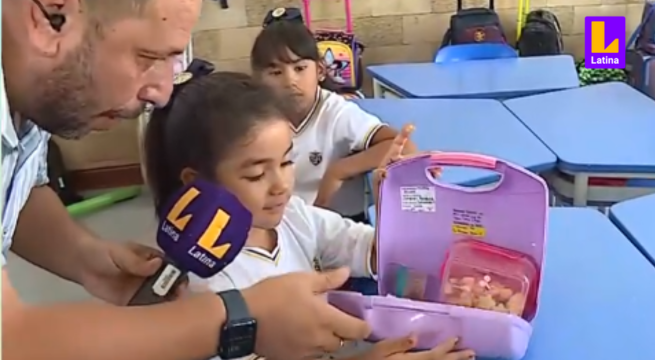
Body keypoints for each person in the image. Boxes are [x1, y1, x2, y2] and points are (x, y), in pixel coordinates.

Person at [2, 1, 371, 360]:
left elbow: (18, 194)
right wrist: (239, 318)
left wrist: (86, 258)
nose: (162, 93)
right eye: (147, 57)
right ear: (51, 16)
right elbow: (9, 340)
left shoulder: (32, 99)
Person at [143, 69, 476, 360]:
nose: (281, 186)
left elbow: (373, 252)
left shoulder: (294, 216)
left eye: (287, 162)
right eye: (257, 174)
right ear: (196, 184)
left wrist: (395, 204)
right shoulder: (202, 280)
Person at [250, 21, 418, 223]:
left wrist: (339, 170)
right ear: (258, 79)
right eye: (275, 72)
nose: (290, 81)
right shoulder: (255, 118)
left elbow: (404, 146)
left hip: (339, 222)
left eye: (300, 68)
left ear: (320, 70)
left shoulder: (336, 112)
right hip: (284, 221)